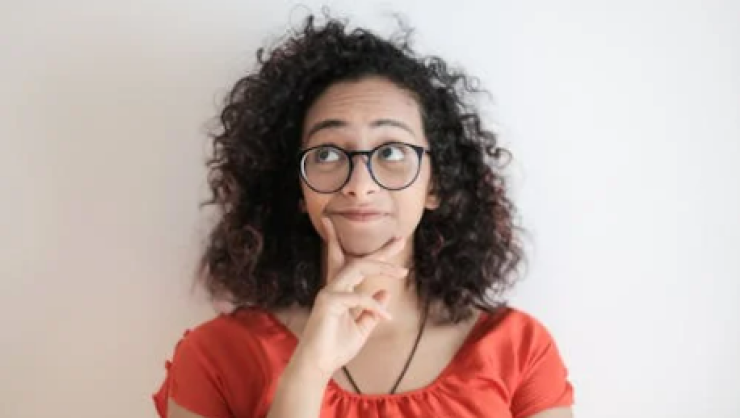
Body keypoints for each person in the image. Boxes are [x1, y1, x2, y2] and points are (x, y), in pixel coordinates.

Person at [153, 14, 574, 418]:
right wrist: (309, 369)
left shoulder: (519, 349)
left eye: (391, 151)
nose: (360, 184)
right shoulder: (215, 357)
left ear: (435, 184)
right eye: (327, 154)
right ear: (298, 189)